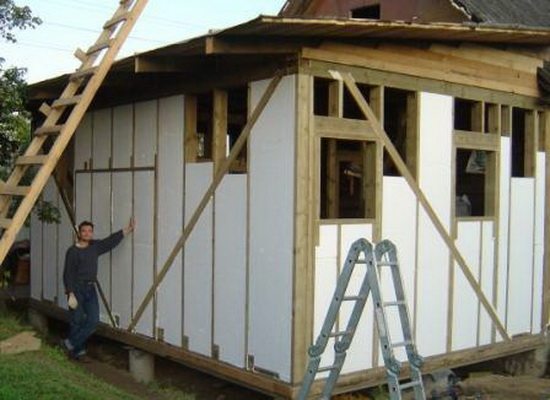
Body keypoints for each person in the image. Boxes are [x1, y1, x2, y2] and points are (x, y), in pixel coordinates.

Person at [62, 217, 135, 360]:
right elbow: (68, 273)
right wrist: (70, 292)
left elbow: (110, 241)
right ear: (79, 233)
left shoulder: (95, 247)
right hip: (76, 289)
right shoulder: (72, 251)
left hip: (90, 289)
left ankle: (69, 343)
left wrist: (127, 229)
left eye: (90, 231)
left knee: (93, 320)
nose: (87, 233)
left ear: (92, 233)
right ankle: (79, 352)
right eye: (84, 231)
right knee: (77, 320)